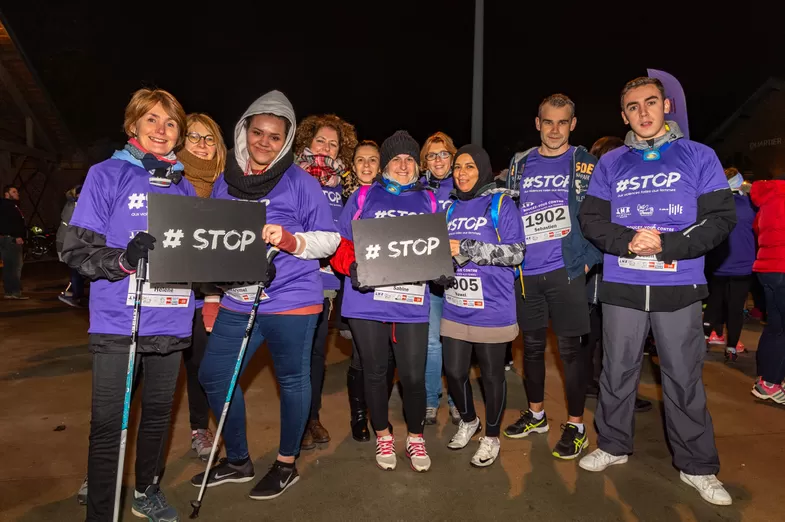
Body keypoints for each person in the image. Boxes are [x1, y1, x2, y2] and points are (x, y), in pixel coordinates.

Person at [578, 76, 735, 506]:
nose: (642, 113)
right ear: (623, 114)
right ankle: (612, 445)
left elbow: (720, 220)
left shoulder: (699, 156)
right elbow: (591, 220)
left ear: (666, 105)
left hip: (678, 284)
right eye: (632, 106)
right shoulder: (610, 165)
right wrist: (629, 240)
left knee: (684, 378)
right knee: (616, 371)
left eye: (650, 103)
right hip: (623, 284)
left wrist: (667, 244)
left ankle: (698, 466)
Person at [191, 90, 339, 500]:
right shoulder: (225, 182)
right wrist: (213, 292)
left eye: (275, 137)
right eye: (258, 132)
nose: (264, 142)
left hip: (293, 298)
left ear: (286, 141)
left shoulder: (301, 182)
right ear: (244, 131)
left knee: (293, 381)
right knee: (214, 375)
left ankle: (287, 463)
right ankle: (238, 458)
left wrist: (291, 240)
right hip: (239, 299)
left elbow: (329, 239)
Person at [63, 87, 196, 521]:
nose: (161, 129)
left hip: (171, 317)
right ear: (133, 125)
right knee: (109, 426)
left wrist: (247, 270)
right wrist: (122, 260)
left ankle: (147, 491)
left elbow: (203, 253)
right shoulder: (106, 174)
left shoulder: (185, 186)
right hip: (119, 320)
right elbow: (75, 249)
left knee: (158, 416)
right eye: (152, 119)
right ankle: (102, 512)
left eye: (171, 122)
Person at [331, 130, 439, 472]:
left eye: (409, 159)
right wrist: (350, 267)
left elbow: (439, 246)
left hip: (409, 301)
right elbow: (339, 242)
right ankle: (383, 433)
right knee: (375, 372)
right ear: (385, 165)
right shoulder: (364, 196)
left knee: (412, 375)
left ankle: (416, 437)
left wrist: (442, 269)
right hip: (367, 300)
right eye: (396, 159)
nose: (403, 165)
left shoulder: (429, 199)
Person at [503, 94, 602, 460]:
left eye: (563, 122)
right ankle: (537, 414)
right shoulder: (519, 164)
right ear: (537, 123)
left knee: (571, 353)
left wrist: (588, 261)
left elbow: (603, 216)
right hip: (526, 273)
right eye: (548, 122)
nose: (555, 129)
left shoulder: (586, 165)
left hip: (567, 272)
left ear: (573, 124)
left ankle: (576, 426)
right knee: (530, 349)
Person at [441, 144, 525, 467]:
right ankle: (469, 419)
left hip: (492, 307)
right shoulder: (448, 209)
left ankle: (491, 437)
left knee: (491, 375)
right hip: (455, 305)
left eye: (470, 167)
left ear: (483, 170)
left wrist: (468, 247)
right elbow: (440, 255)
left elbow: (517, 253)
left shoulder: (499, 203)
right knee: (455, 370)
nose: (462, 173)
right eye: (458, 167)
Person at [293, 114, 357, 449]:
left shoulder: (343, 184)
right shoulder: (291, 176)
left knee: (317, 354)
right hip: (294, 276)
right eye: (321, 141)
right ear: (307, 142)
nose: (327, 148)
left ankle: (312, 416)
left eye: (333, 144)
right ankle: (298, 421)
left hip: (327, 281)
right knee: (297, 355)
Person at [584, 136, 652, 414]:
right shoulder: (598, 188)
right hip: (600, 275)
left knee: (612, 342)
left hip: (621, 272)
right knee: (600, 338)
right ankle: (600, 387)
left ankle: (608, 389)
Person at [176, 112, 228, 460]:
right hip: (167, 291)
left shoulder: (226, 187)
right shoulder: (167, 179)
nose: (203, 145)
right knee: (151, 375)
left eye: (209, 138)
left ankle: (200, 428)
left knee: (199, 366)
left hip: (206, 296)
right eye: (195, 136)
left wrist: (213, 295)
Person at [340, 140, 397, 442]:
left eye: (372, 160)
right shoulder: (355, 199)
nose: (365, 166)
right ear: (353, 165)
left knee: (388, 358)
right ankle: (359, 416)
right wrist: (353, 268)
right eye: (360, 160)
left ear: (381, 165)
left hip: (394, 290)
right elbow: (340, 244)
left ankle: (380, 414)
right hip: (361, 289)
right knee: (362, 358)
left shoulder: (393, 196)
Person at [420, 131, 460, 425]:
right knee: (433, 342)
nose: (438, 160)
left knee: (457, 341)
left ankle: (457, 399)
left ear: (452, 157)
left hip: (461, 275)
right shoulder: (417, 189)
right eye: (432, 155)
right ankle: (430, 399)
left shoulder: (463, 185)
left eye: (443, 154)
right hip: (429, 278)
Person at [703, 167, 757, 359]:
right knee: (735, 308)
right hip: (743, 265)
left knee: (714, 303)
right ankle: (732, 347)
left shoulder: (715, 204)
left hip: (718, 264)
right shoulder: (750, 205)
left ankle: (705, 337)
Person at [749, 173, 785, 404]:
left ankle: (768, 382)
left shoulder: (769, 198)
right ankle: (769, 383)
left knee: (776, 327)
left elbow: (756, 227)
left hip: (767, 268)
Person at [57, 184, 86, 307]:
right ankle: (75, 296)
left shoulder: (72, 204)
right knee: (77, 270)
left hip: (69, 242)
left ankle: (75, 294)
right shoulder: (75, 205)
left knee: (78, 270)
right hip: (70, 242)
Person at [0, 185, 28, 299]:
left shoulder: (8, 206)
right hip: (12, 240)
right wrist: (16, 236)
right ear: (7, 194)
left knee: (8, 266)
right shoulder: (9, 207)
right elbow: (12, 224)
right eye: (14, 192)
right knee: (16, 266)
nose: (17, 194)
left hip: (6, 239)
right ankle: (15, 291)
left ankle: (9, 291)